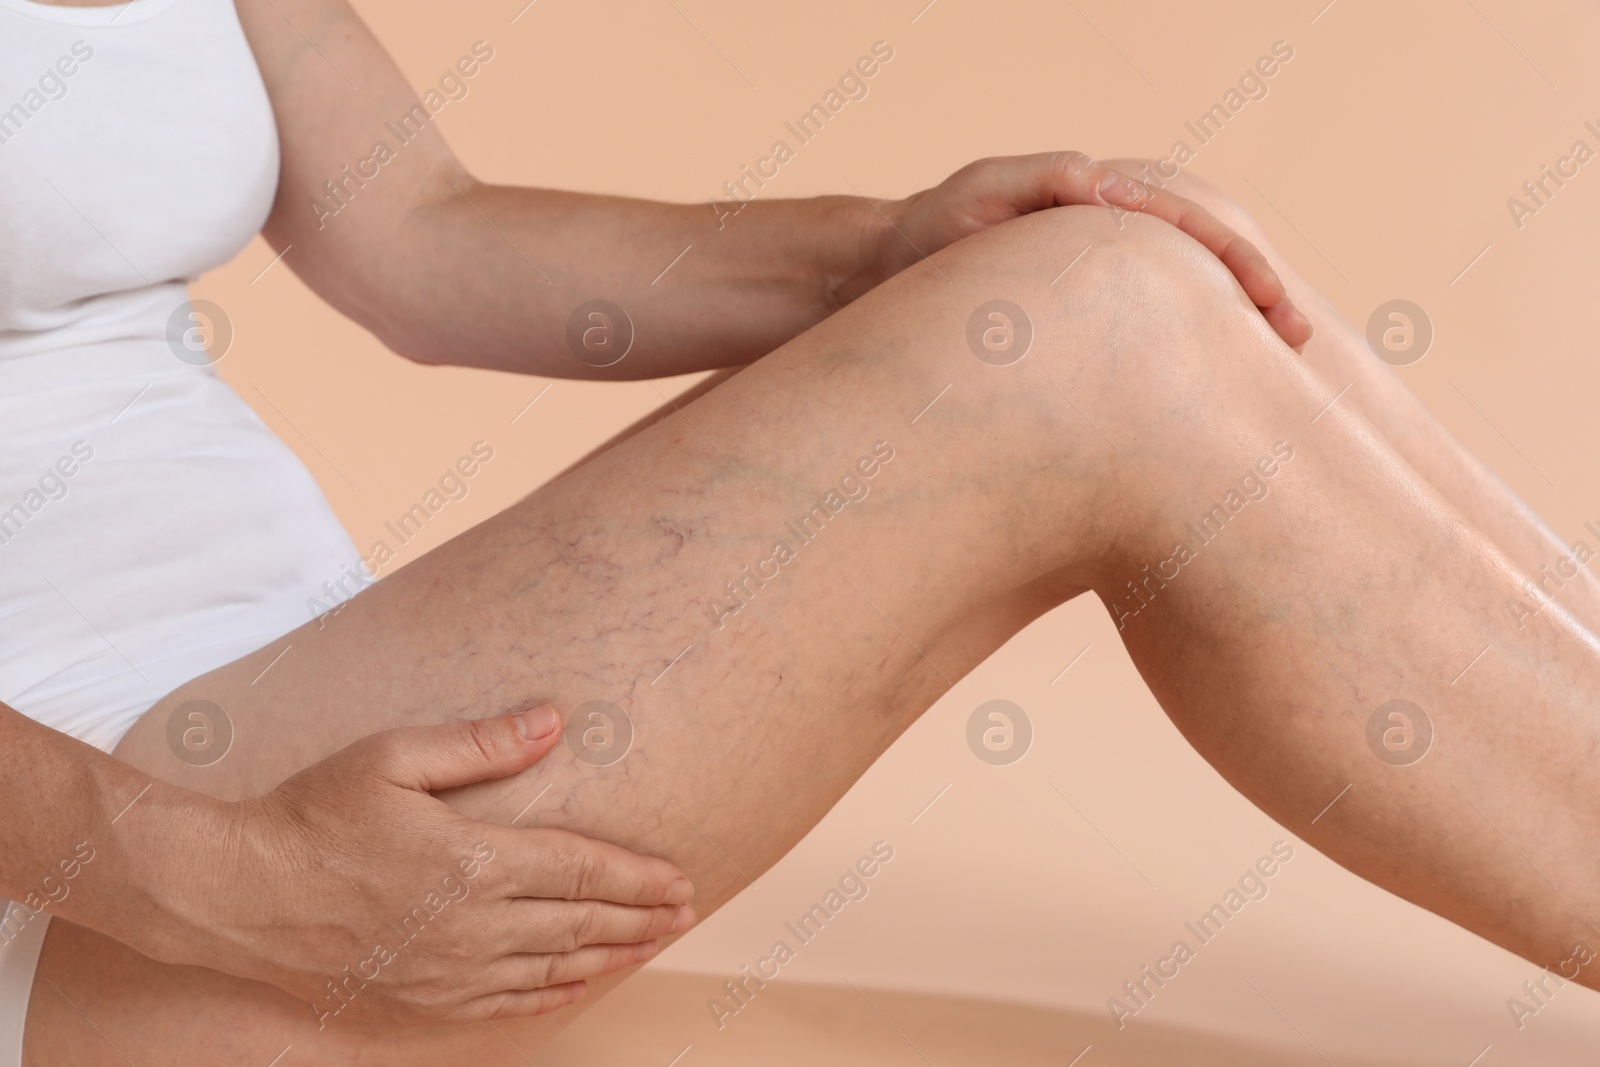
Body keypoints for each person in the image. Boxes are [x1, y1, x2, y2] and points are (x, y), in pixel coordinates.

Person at [7, 0, 1599, 1063]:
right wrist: (212, 879)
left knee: (1121, 255)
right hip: (90, 877)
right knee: (1097, 328)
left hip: (275, 695)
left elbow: (420, 235)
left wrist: (885, 249)